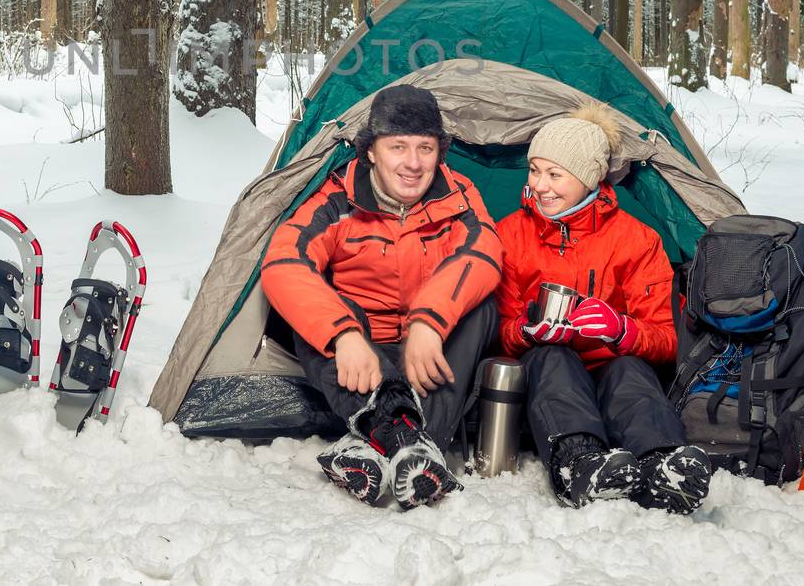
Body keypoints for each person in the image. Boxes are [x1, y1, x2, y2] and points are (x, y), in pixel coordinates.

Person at [261, 84, 502, 509]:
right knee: (319, 306)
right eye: (398, 147)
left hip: (428, 353)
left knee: (481, 304)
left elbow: (483, 253)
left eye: (425, 148)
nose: (413, 163)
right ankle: (409, 439)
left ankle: (377, 443)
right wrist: (344, 337)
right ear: (371, 151)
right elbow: (285, 262)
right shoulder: (337, 201)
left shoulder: (458, 197)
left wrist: (428, 321)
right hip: (362, 357)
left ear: (439, 153)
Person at [492, 102, 713, 514]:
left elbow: (668, 338)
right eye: (535, 170)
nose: (540, 185)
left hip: (613, 376)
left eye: (555, 174)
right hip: (544, 391)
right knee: (552, 356)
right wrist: (524, 331)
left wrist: (622, 331)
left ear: (589, 178)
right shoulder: (509, 235)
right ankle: (578, 463)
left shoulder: (636, 240)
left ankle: (663, 462)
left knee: (629, 368)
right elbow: (494, 329)